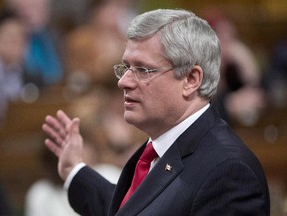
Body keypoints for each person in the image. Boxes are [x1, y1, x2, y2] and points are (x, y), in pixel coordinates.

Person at [42, 8, 270, 215]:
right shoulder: (162, 146)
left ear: (191, 79)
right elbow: (134, 209)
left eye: (142, 70)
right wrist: (74, 170)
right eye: (126, 68)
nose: (124, 82)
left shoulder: (229, 172)